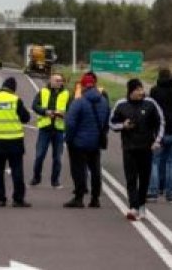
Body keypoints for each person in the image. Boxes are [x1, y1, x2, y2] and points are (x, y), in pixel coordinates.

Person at [110, 78, 164, 220]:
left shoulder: (150, 103)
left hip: (146, 147)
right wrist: (123, 125)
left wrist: (157, 141)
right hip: (129, 147)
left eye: (141, 89)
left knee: (144, 178)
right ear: (130, 91)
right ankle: (133, 207)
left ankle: (141, 205)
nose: (141, 92)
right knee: (131, 178)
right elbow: (111, 123)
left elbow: (161, 122)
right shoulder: (121, 104)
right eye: (137, 90)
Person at [0, 76, 32, 207]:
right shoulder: (15, 100)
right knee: (16, 171)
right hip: (14, 141)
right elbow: (26, 118)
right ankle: (18, 199)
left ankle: (0, 199)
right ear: (13, 89)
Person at [63, 72, 110, 208]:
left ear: (83, 86)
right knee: (95, 170)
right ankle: (95, 198)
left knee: (78, 169)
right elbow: (106, 121)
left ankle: (79, 197)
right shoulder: (103, 101)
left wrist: (69, 139)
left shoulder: (79, 102)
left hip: (79, 142)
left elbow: (70, 123)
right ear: (94, 85)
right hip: (95, 142)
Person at [147, 67, 172, 203]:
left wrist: (152, 128)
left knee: (155, 162)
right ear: (170, 76)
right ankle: (170, 195)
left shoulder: (154, 91)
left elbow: (150, 110)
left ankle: (153, 192)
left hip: (158, 132)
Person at [30, 72, 69, 188]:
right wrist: (45, 112)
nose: (58, 82)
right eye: (56, 80)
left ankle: (55, 181)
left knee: (57, 157)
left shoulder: (67, 94)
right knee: (39, 155)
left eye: (60, 80)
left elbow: (72, 109)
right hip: (45, 128)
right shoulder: (43, 92)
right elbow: (34, 105)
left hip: (58, 129)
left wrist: (63, 114)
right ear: (50, 81)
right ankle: (36, 178)